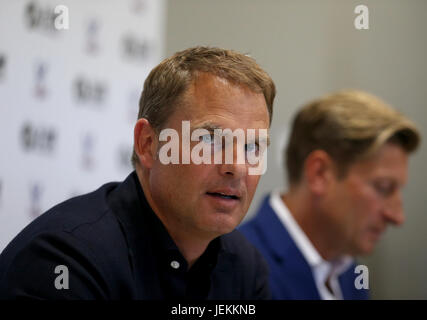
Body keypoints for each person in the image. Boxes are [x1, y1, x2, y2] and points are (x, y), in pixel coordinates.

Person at [0, 46, 276, 299]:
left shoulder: (245, 268)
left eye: (253, 146)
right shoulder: (65, 261)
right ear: (148, 144)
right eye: (210, 140)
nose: (237, 166)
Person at [239, 90, 420, 300]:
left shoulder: (347, 267)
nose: (397, 217)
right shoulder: (236, 273)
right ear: (320, 173)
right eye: (383, 187)